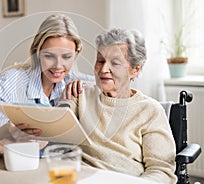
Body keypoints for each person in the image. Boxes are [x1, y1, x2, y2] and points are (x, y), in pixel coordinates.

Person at [0, 14, 91, 162]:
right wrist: (6, 132)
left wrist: (89, 87)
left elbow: (113, 83)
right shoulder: (9, 83)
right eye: (49, 56)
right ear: (37, 52)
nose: (58, 66)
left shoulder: (73, 80)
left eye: (66, 57)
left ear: (76, 55)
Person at [58, 28, 177, 183]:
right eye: (100, 61)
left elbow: (161, 171)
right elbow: (53, 133)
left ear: (135, 70)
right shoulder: (79, 94)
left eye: (115, 63)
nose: (103, 69)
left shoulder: (150, 111)